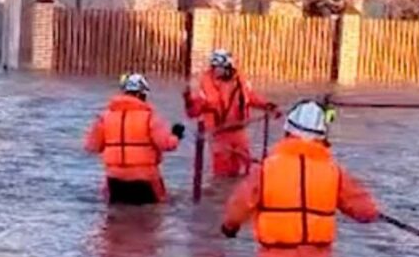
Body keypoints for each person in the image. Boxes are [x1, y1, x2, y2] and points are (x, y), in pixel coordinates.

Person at [220, 100, 380, 257]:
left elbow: (240, 205)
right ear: (322, 137)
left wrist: (230, 227)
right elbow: (366, 211)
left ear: (288, 131)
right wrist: (373, 212)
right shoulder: (334, 171)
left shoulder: (266, 169)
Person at [84, 73, 185, 205]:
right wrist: (176, 135)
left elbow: (92, 146)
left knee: (116, 219)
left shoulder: (104, 118)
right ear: (141, 94)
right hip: (146, 179)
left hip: (115, 180)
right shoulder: (150, 118)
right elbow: (166, 144)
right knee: (153, 217)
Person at [184, 49, 277, 177]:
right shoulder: (205, 84)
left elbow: (250, 97)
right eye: (214, 67)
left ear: (228, 67)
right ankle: (222, 195)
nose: (216, 70)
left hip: (239, 130)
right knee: (222, 172)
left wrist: (267, 106)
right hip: (219, 134)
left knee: (246, 167)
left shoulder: (239, 80)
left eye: (219, 67)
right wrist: (189, 102)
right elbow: (194, 111)